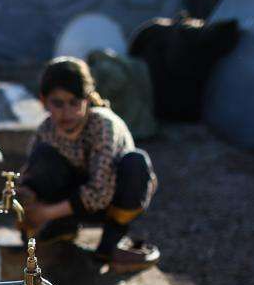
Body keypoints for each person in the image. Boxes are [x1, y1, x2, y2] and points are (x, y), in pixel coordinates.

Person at [17, 56, 160, 272]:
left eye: (74, 103)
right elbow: (28, 173)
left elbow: (100, 192)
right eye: (58, 103)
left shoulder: (102, 125)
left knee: (135, 163)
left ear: (87, 99)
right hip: (73, 203)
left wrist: (44, 213)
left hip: (112, 200)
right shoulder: (46, 130)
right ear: (43, 101)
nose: (67, 112)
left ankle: (112, 240)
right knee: (43, 156)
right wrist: (25, 203)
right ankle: (63, 227)